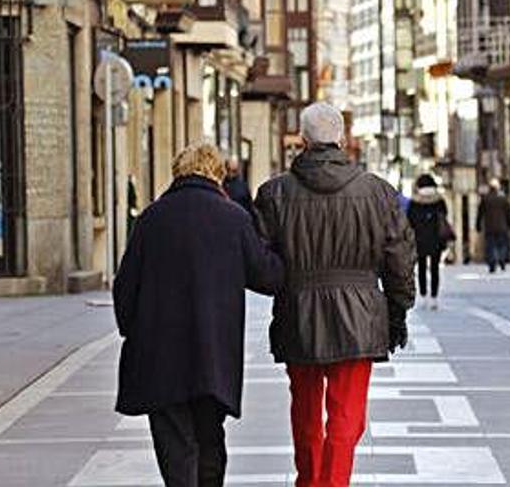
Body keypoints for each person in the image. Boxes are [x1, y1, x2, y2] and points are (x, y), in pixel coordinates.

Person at [254, 102, 416, 487]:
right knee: (347, 416)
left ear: (303, 140)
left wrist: (289, 283)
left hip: (299, 313)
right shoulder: (378, 193)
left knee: (306, 411)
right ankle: (334, 482)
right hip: (360, 313)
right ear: (342, 139)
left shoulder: (274, 193)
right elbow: (399, 257)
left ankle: (309, 481)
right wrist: (398, 311)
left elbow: (259, 263)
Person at [112, 143, 284, 487]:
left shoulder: (151, 218)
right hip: (212, 355)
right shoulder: (233, 218)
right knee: (209, 439)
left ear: (177, 172)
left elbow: (124, 288)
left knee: (176, 447)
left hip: (159, 354)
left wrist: (133, 329)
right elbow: (269, 277)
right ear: (217, 174)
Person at [407, 174, 449, 310]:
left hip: (420, 239)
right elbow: (445, 216)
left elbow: (409, 221)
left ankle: (424, 296)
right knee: (435, 268)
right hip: (436, 238)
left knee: (422, 268)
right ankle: (434, 298)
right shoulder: (439, 200)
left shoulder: (414, 202)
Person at [476, 178, 510, 273]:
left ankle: (492, 263)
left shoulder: (485, 199)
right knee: (502, 245)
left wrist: (478, 225)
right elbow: (509, 213)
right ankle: (502, 260)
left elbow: (480, 213)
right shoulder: (503, 198)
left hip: (489, 227)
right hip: (502, 226)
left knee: (490, 245)